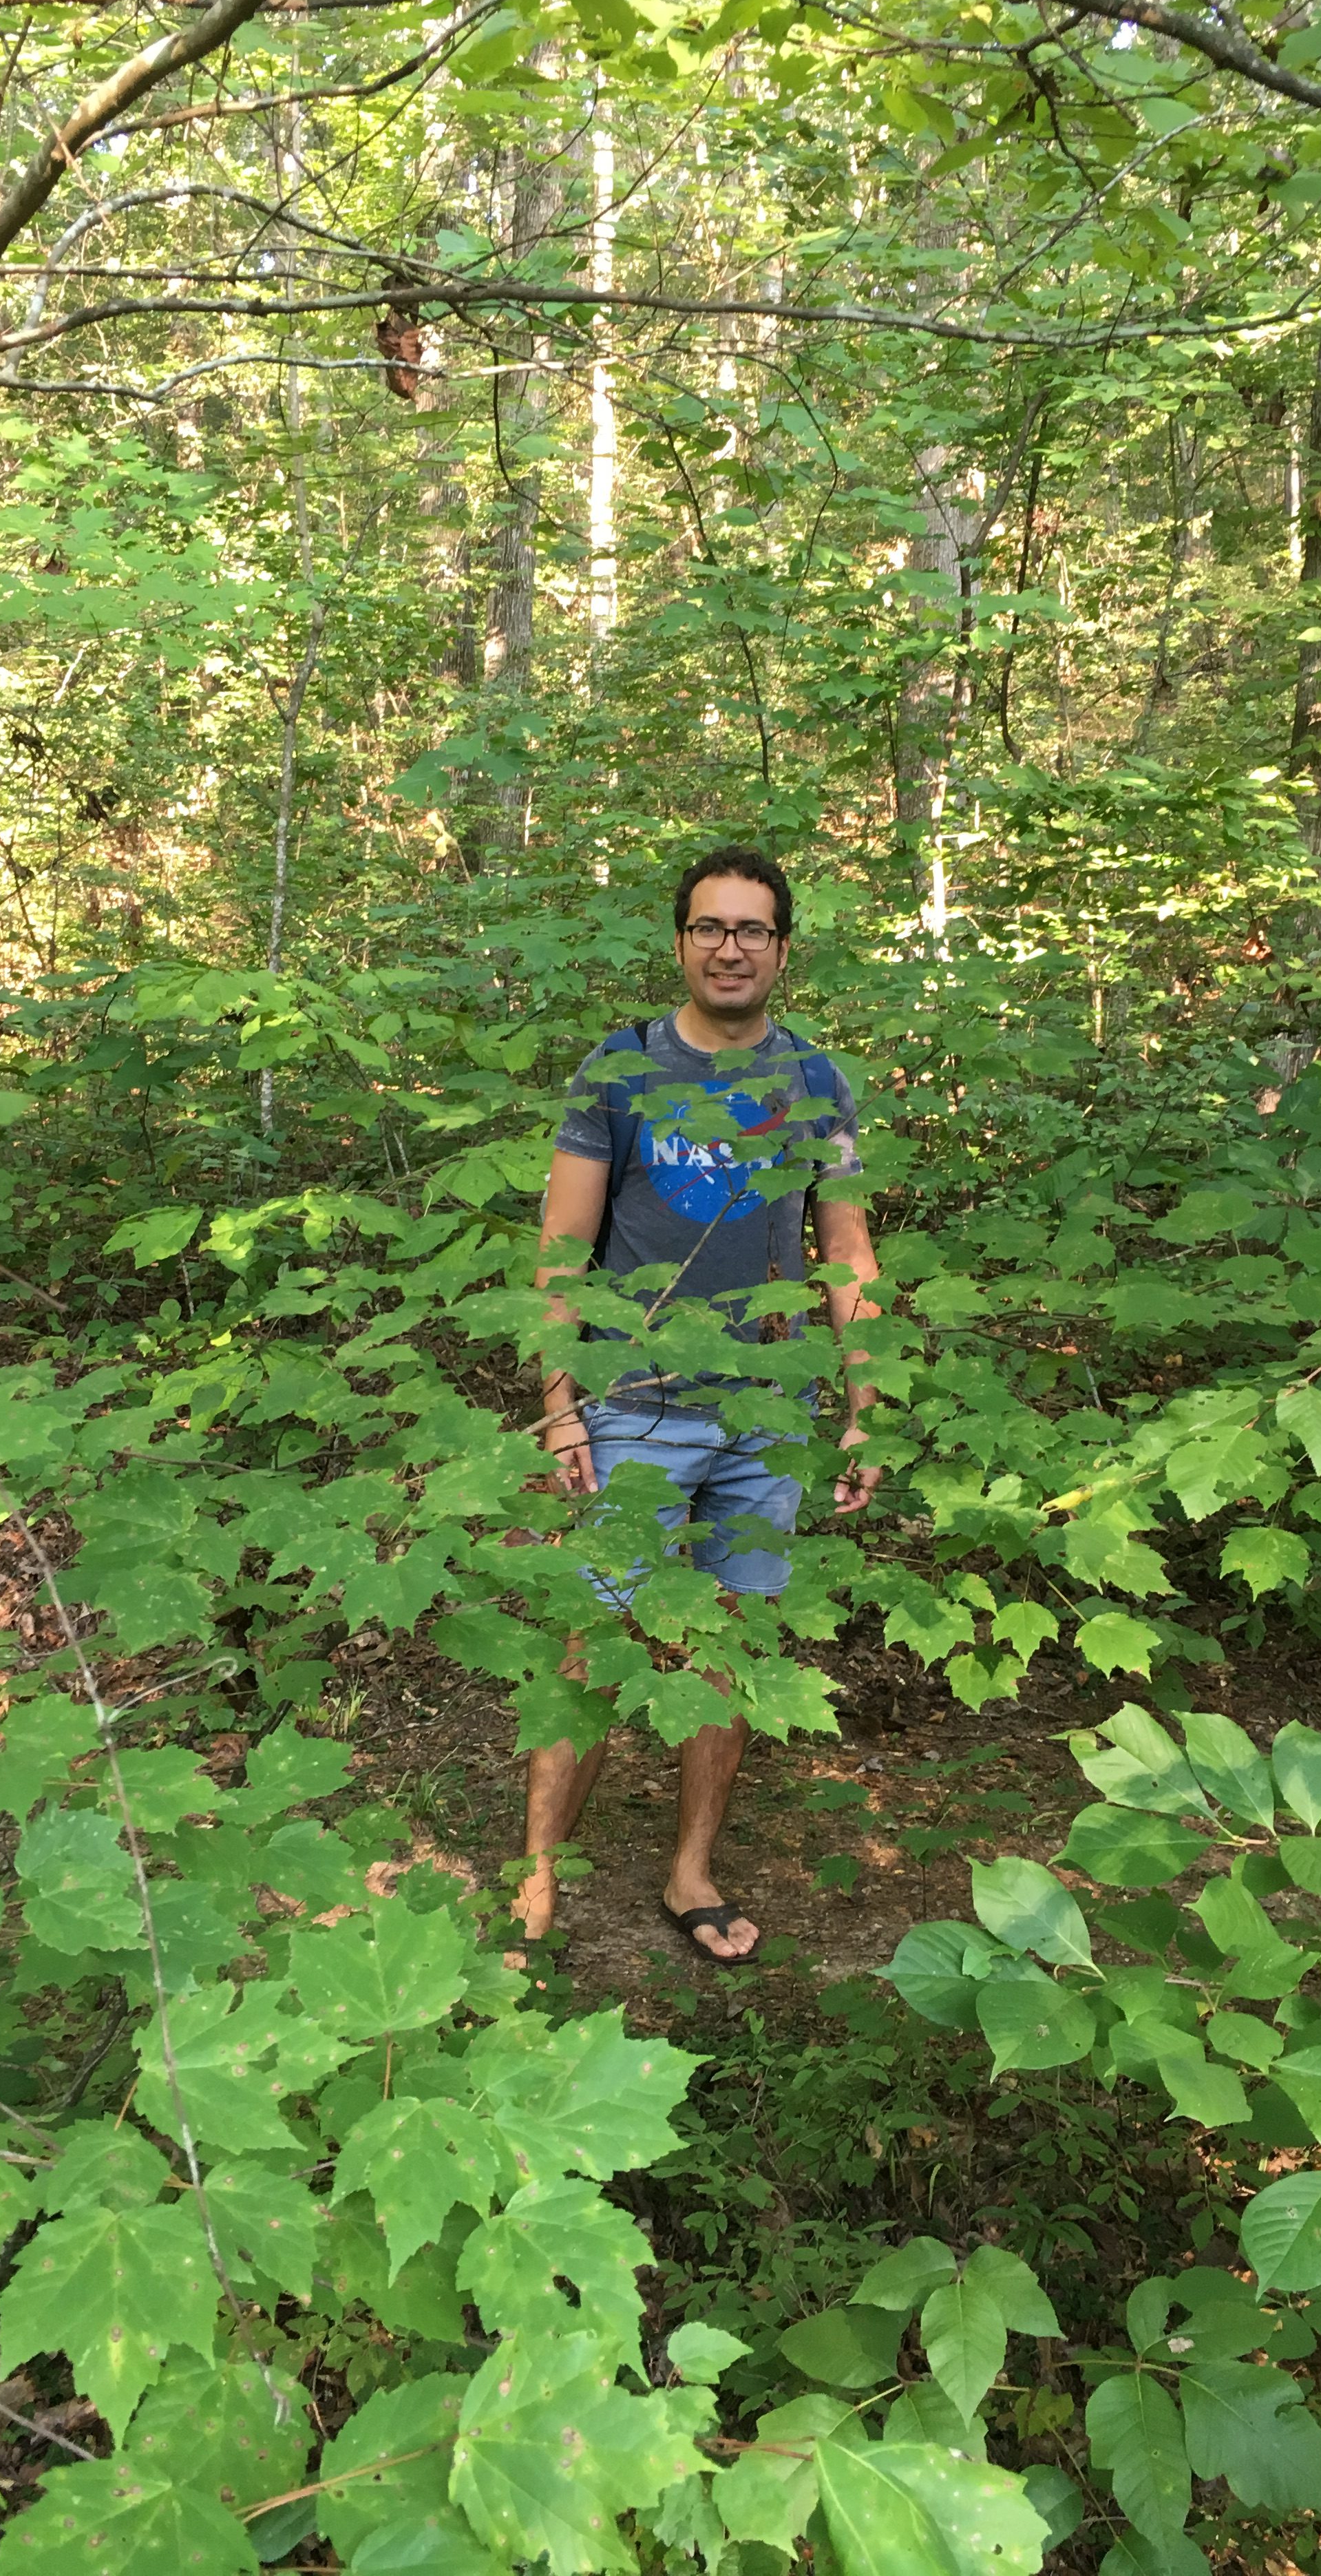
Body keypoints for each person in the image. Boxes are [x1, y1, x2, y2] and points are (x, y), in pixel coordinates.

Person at [514, 843, 883, 1967]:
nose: (732, 947)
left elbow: (848, 1254)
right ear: (679, 943)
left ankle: (691, 1870)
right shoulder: (620, 1074)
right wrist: (560, 1405)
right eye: (711, 928)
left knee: (729, 1646)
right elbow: (561, 1253)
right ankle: (534, 1879)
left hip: (767, 1413)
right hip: (634, 1403)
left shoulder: (814, 1083)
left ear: (783, 951)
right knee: (593, 1644)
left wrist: (863, 1407)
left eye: (753, 930)